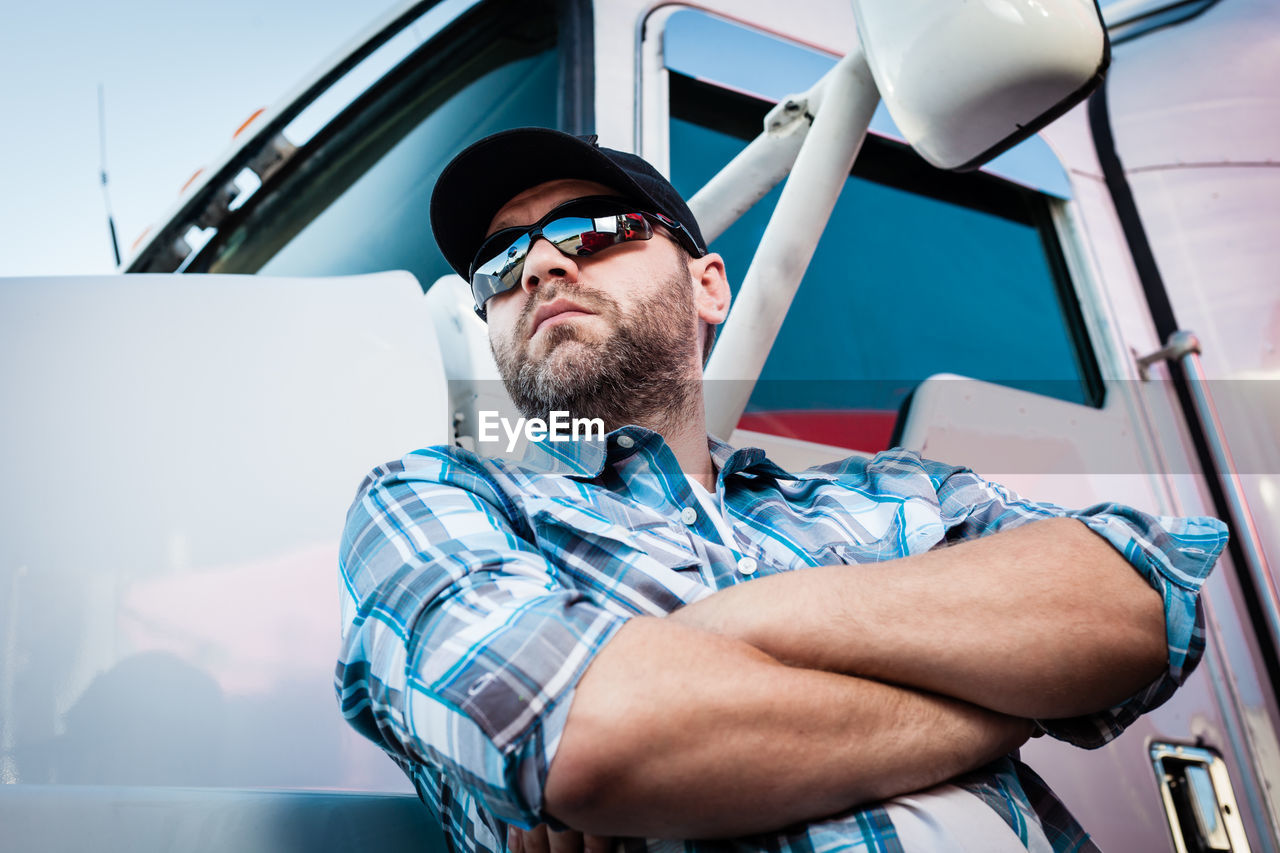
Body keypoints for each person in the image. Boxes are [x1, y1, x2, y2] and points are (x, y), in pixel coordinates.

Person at [336, 127, 1228, 853]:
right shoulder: (431, 501)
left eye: (596, 229)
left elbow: (1141, 607)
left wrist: (703, 635)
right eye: (499, 265)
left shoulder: (895, 488)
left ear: (707, 284)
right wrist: (1011, 703)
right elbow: (598, 738)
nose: (538, 269)